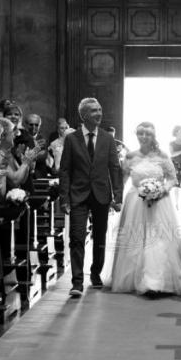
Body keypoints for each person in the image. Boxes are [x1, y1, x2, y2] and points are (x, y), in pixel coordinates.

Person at [109, 122, 181, 296]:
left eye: (147, 134)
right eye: (140, 134)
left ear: (153, 136)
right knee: (134, 239)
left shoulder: (163, 156)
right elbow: (122, 181)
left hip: (159, 202)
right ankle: (133, 278)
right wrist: (116, 199)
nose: (143, 137)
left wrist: (161, 190)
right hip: (135, 201)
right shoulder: (130, 157)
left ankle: (156, 280)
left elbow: (172, 179)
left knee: (158, 239)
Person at [59, 97, 123, 297]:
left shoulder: (107, 138)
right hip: (78, 194)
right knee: (77, 237)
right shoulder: (72, 138)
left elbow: (114, 168)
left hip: (101, 194)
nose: (99, 113)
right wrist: (64, 198)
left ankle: (96, 273)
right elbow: (65, 170)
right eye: (94, 110)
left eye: (100, 109)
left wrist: (118, 195)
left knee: (99, 237)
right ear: (84, 115)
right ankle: (77, 282)